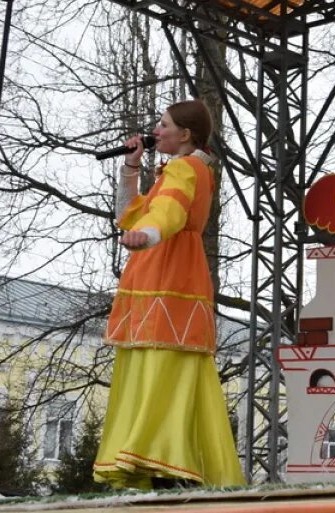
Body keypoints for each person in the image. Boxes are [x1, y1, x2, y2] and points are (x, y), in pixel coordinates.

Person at [95, 100, 244, 488]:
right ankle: (175, 459)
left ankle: (163, 457)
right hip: (159, 273)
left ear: (186, 134)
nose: (156, 130)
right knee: (166, 365)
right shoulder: (178, 170)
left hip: (169, 273)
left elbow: (169, 212)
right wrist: (130, 168)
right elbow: (134, 213)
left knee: (163, 365)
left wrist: (150, 234)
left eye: (163, 125)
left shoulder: (186, 168)